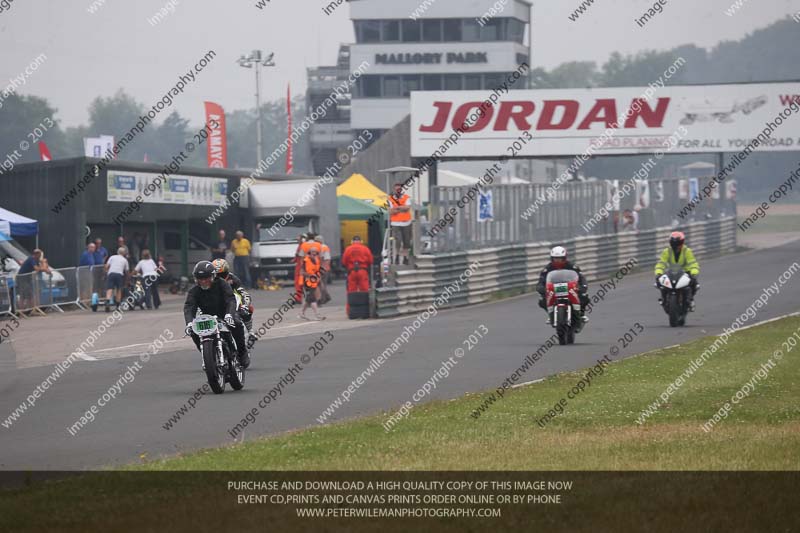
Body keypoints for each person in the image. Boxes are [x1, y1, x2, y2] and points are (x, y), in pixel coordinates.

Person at [184, 260, 250, 368]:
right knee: (193, 331)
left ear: (213, 276)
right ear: (196, 279)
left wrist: (229, 314)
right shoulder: (193, 291)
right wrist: (189, 323)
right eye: (201, 279)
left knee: (237, 323)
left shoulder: (222, 284)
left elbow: (230, 299)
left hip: (226, 313)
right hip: (207, 316)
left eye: (206, 278)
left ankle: (242, 352)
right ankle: (207, 355)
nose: (204, 281)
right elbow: (189, 307)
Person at [536, 246, 589, 323]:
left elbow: (581, 277)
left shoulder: (572, 266)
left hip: (570, 287)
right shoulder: (547, 268)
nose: (557, 260)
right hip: (554, 288)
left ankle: (581, 314)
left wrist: (582, 286)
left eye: (560, 258)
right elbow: (541, 280)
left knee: (584, 296)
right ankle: (551, 314)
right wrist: (540, 287)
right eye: (555, 258)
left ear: (564, 258)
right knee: (542, 300)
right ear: (552, 258)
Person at [212, 258, 256, 346]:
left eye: (222, 274)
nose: (220, 277)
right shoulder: (209, 280)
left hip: (232, 301)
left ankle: (250, 332)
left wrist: (245, 305)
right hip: (215, 303)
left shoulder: (233, 278)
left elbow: (243, 293)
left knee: (248, 309)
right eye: (217, 275)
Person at [654, 231, 700, 311]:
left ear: (682, 242)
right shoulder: (666, 251)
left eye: (678, 244)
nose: (677, 246)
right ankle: (664, 300)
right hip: (671, 273)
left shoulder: (687, 251)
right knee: (660, 284)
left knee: (694, 283)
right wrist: (658, 273)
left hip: (685, 272)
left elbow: (693, 263)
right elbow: (661, 263)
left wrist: (694, 272)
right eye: (675, 244)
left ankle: (690, 300)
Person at [389, 183, 413, 265]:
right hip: (396, 223)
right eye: (397, 189)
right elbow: (391, 211)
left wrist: (397, 208)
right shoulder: (391, 199)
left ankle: (405, 257)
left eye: (399, 189)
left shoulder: (406, 197)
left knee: (406, 241)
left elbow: (407, 208)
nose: (398, 191)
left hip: (406, 222)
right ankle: (397, 256)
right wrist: (401, 208)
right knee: (398, 240)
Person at [299, 246, 325, 321]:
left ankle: (301, 313)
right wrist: (310, 275)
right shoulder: (305, 261)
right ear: (309, 254)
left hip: (314, 283)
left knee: (308, 300)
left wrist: (320, 282)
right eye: (312, 254)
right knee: (312, 299)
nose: (314, 255)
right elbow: (302, 272)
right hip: (306, 283)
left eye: (316, 254)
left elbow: (317, 272)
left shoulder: (316, 260)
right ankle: (317, 315)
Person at [104, 247, 129, 312]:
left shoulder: (112, 257)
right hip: (119, 274)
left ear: (118, 252)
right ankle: (118, 305)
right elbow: (126, 271)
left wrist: (106, 272)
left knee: (109, 289)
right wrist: (127, 279)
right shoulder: (125, 260)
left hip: (111, 273)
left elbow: (106, 266)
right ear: (124, 253)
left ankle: (107, 301)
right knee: (119, 289)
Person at [314, 235, 332, 304]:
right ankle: (326, 297)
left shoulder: (323, 247)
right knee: (321, 284)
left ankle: (322, 299)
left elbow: (327, 259)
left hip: (322, 269)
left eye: (316, 241)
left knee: (320, 284)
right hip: (322, 268)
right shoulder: (322, 247)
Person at [292, 234, 306, 304]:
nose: (297, 239)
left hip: (300, 268)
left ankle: (299, 298)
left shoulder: (302, 246)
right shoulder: (302, 246)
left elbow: (300, 256)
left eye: (298, 238)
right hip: (302, 267)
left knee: (299, 283)